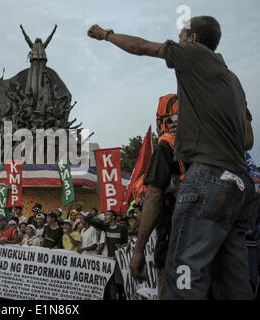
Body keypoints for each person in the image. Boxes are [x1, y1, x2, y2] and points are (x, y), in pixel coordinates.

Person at [88, 16, 256, 300]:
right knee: (233, 278)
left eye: (180, 36)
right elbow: (248, 140)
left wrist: (106, 34)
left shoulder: (193, 53)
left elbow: (142, 47)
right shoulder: (233, 79)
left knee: (184, 272)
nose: (177, 42)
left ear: (191, 39)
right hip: (239, 184)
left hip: (209, 176)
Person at [129, 95, 180, 300]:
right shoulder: (207, 145)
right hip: (207, 245)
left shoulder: (166, 146)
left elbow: (154, 198)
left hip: (174, 246)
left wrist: (139, 250)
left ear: (166, 121)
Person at [89, 210, 128, 300]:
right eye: (105, 215)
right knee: (111, 282)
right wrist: (89, 216)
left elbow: (126, 244)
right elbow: (93, 223)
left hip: (120, 260)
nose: (105, 217)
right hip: (110, 259)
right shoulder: (106, 228)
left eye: (107, 215)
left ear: (113, 217)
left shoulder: (122, 229)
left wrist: (119, 253)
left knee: (121, 282)